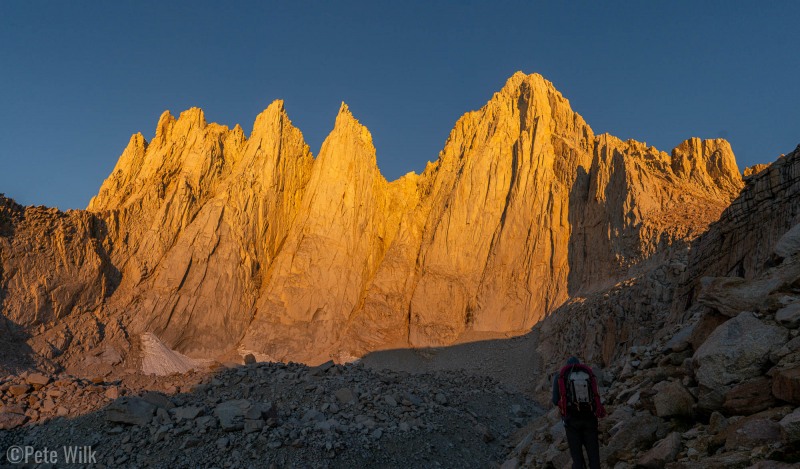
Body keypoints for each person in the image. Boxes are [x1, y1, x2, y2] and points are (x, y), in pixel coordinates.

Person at [552, 356, 607, 469]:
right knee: (594, 456)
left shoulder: (561, 377)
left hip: (571, 422)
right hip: (590, 419)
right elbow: (596, 395)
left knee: (577, 458)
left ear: (566, 365)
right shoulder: (588, 375)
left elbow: (554, 400)